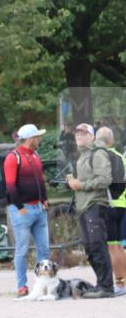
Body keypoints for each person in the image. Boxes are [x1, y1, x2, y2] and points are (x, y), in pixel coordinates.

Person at [67, 124, 115, 298]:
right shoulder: (83, 155)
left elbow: (105, 179)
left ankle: (107, 287)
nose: (79, 136)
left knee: (97, 245)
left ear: (92, 136)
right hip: (84, 206)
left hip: (95, 205)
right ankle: (100, 284)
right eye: (77, 133)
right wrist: (74, 183)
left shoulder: (98, 153)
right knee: (89, 247)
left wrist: (82, 185)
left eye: (83, 133)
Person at [4, 124, 50, 298]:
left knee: (44, 250)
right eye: (38, 137)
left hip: (39, 208)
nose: (39, 140)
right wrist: (20, 208)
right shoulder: (13, 158)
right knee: (22, 250)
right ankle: (22, 286)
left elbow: (40, 180)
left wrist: (44, 200)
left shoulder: (35, 155)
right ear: (31, 139)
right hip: (22, 209)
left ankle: (43, 285)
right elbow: (10, 186)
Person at [95, 127, 126, 290]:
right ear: (112, 141)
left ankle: (120, 284)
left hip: (109, 205)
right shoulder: (121, 156)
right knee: (119, 246)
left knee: (112, 247)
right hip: (122, 205)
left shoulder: (101, 157)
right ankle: (123, 282)